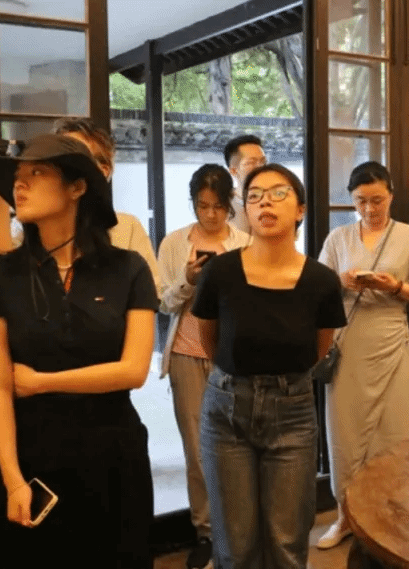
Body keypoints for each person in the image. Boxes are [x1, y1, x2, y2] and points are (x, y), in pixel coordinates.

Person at [0, 133, 158, 567]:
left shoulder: (128, 269)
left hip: (115, 454)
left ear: (77, 187)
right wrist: (13, 480)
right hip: (32, 456)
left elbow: (133, 371)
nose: (20, 184)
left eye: (37, 173)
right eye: (17, 176)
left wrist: (40, 381)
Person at [191, 163, 345, 569]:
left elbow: (319, 348)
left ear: (300, 209)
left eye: (278, 193)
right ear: (245, 210)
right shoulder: (220, 271)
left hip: (292, 411)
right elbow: (210, 340)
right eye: (255, 196)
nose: (265, 203)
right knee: (234, 547)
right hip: (226, 410)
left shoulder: (321, 280)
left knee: (287, 544)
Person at [316, 161, 409, 549]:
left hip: (391, 342)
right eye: (361, 201)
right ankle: (345, 516)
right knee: (344, 433)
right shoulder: (338, 238)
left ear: (392, 196)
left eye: (377, 200)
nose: (369, 208)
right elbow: (316, 288)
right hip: (348, 343)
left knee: (392, 432)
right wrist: (341, 281)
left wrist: (394, 286)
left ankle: (389, 514)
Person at [156, 164, 250, 568]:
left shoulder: (246, 242)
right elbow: (164, 302)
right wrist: (188, 280)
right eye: (202, 206)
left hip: (232, 356)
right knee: (197, 450)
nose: (210, 215)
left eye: (217, 206)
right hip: (187, 353)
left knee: (238, 444)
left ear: (230, 204)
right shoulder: (174, 243)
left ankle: (238, 531)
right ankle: (206, 531)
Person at [0, 118, 160, 289]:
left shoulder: (127, 228)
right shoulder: (28, 229)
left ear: (101, 171)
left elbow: (150, 292)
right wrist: (3, 188)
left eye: (73, 156)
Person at [222, 134, 267, 233]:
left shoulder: (277, 201)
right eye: (251, 162)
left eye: (263, 161)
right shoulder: (222, 205)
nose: (260, 167)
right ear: (234, 171)